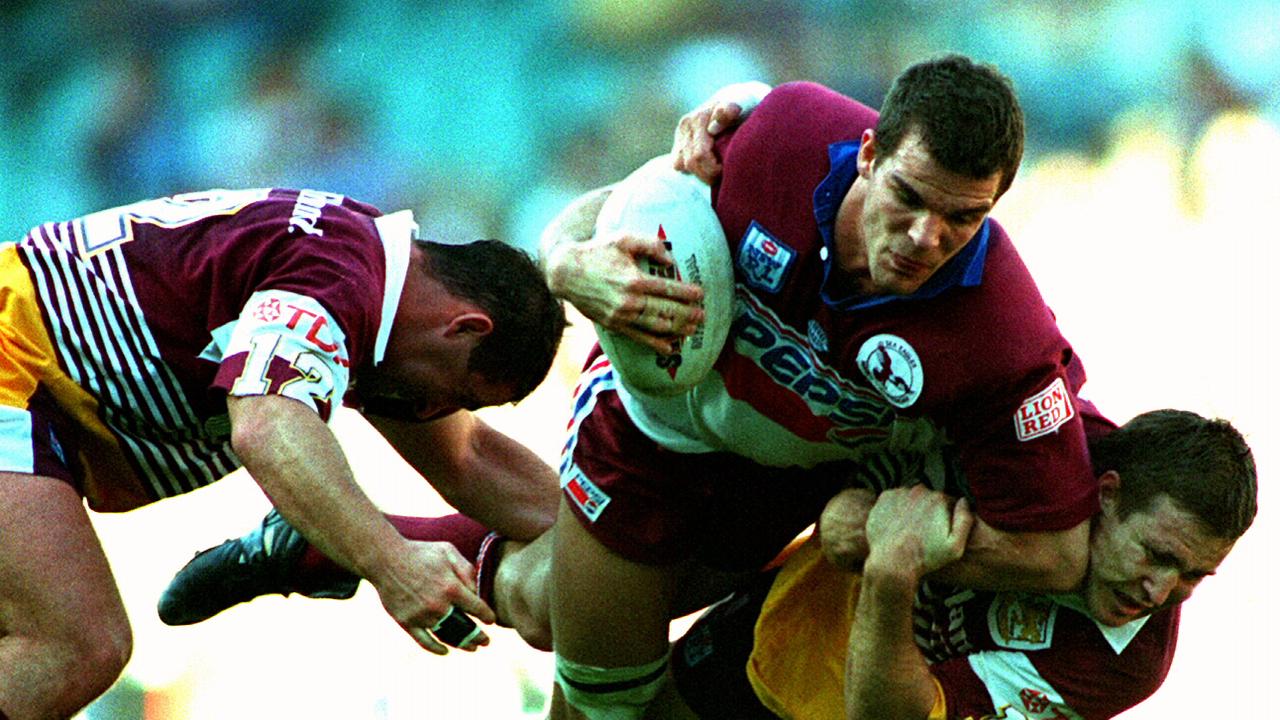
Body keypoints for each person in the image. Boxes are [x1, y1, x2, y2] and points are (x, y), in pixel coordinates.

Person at [161, 54, 1110, 718]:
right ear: (867, 151)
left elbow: (1058, 544)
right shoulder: (781, 135)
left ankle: (325, 548)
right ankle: (350, 547)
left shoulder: (1000, 335)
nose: (926, 237)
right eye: (909, 198)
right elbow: (592, 220)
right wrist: (571, 264)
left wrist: (909, 541)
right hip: (651, 418)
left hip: (783, 477)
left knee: (542, 600)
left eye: (963, 219)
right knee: (616, 699)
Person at [0, 187, 566, 719]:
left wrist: (613, 536)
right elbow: (267, 426)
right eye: (457, 396)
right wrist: (388, 561)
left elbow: (467, 458)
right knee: (75, 645)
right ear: (463, 327)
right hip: (15, 362)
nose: (430, 415)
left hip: (36, 392)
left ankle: (314, 548)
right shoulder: (338, 277)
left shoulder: (373, 282)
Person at [664, 409, 1258, 719]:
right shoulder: (1037, 436)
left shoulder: (1128, 663)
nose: (1161, 591)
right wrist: (847, 504)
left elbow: (892, 719)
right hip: (784, 634)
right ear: (1107, 493)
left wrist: (895, 570)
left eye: (1192, 576)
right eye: (1157, 555)